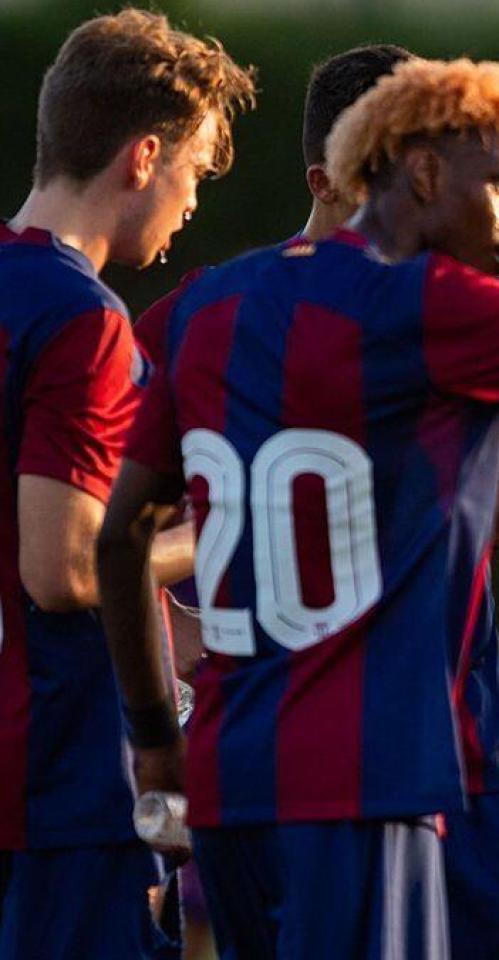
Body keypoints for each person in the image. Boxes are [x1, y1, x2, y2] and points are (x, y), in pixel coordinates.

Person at [96, 56, 499, 959]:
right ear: (415, 171)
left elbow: (114, 538)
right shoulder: (431, 304)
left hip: (240, 760)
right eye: (497, 185)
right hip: (376, 761)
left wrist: (153, 732)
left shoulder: (213, 304)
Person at [0, 10, 250, 958]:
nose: (193, 200)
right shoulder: (83, 318)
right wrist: (223, 526)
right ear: (144, 157)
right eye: (193, 168)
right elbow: (61, 569)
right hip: (56, 780)